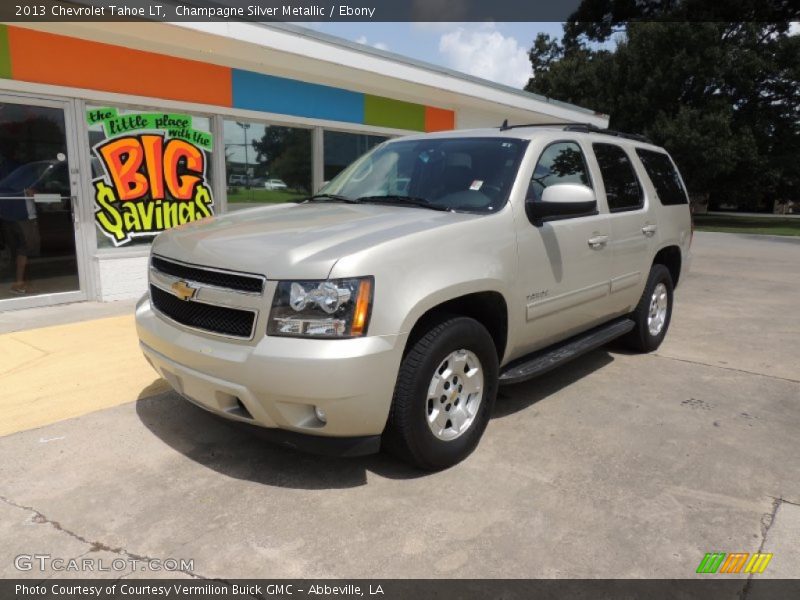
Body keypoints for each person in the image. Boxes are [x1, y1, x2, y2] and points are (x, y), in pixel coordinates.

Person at [0, 186, 40, 294]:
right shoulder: (24, 177)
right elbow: (32, 194)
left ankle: (23, 283)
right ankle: (19, 284)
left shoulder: (9, 177)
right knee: (25, 250)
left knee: (18, 251)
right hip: (24, 218)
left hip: (9, 218)